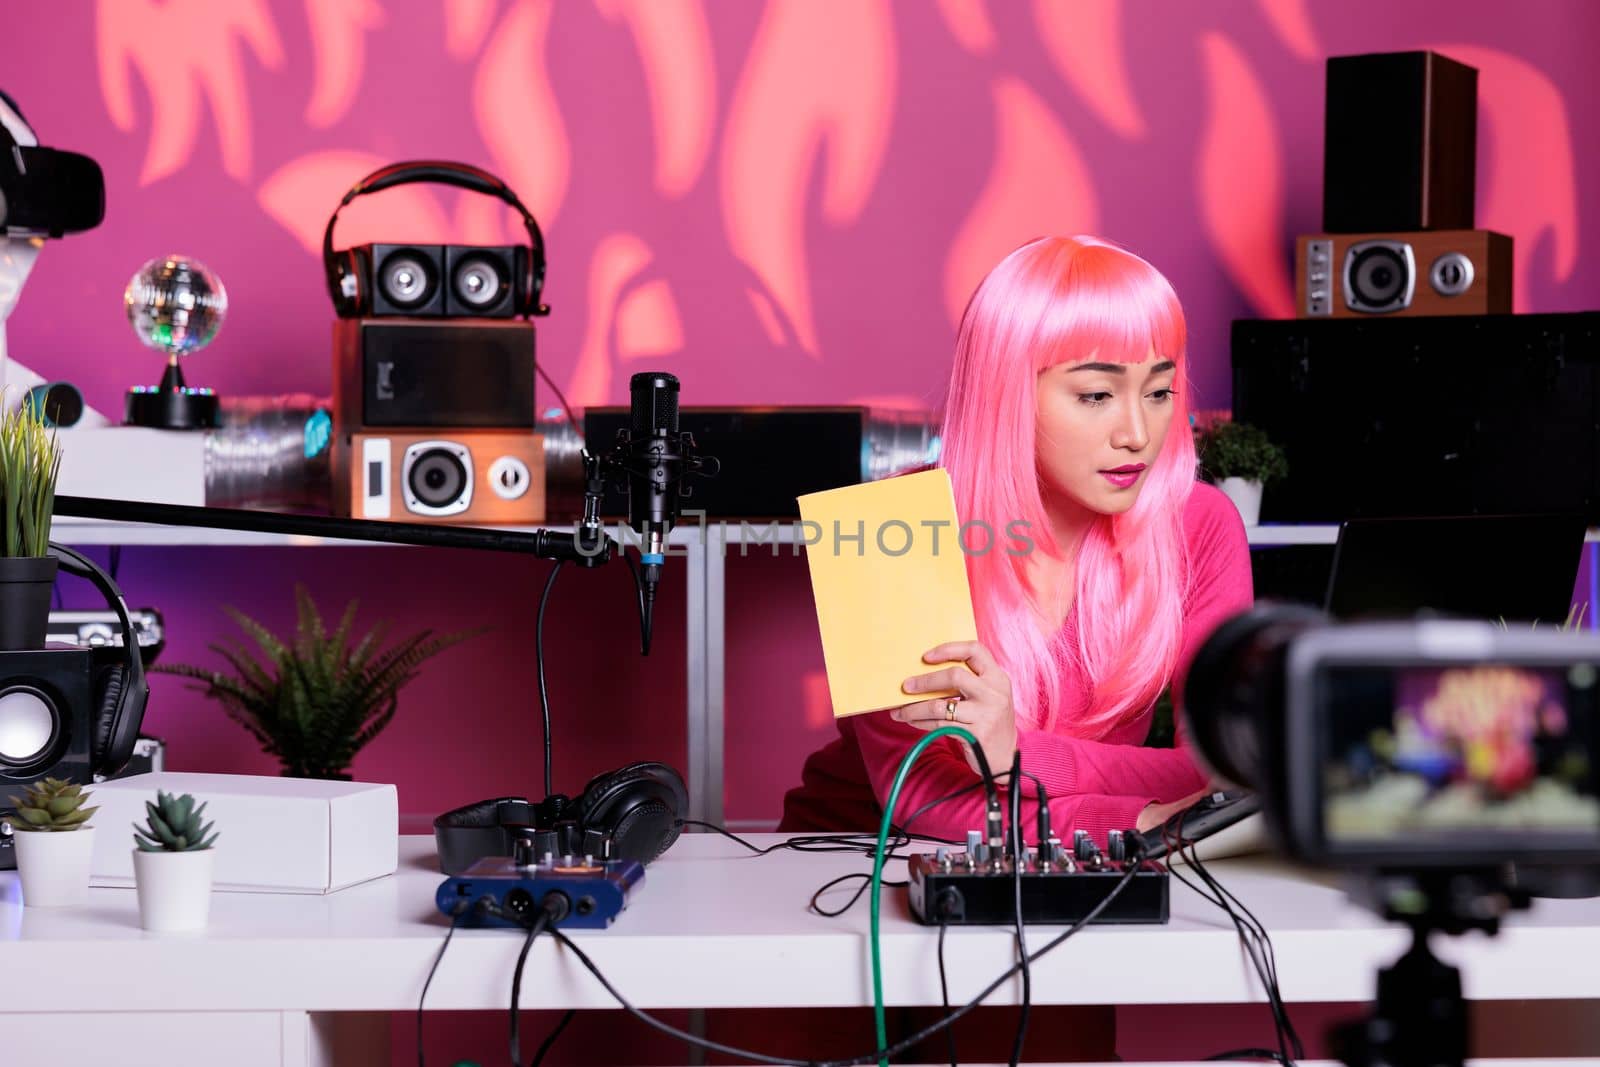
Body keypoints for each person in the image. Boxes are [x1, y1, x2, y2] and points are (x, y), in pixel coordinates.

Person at [780, 234, 1253, 844]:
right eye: (1096, 395)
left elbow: (1224, 766)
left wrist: (1018, 758)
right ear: (1007, 394)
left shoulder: (1201, 523)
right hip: (852, 861)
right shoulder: (886, 531)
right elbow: (922, 796)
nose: (1138, 432)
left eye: (1159, 392)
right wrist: (1131, 820)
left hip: (1083, 855)